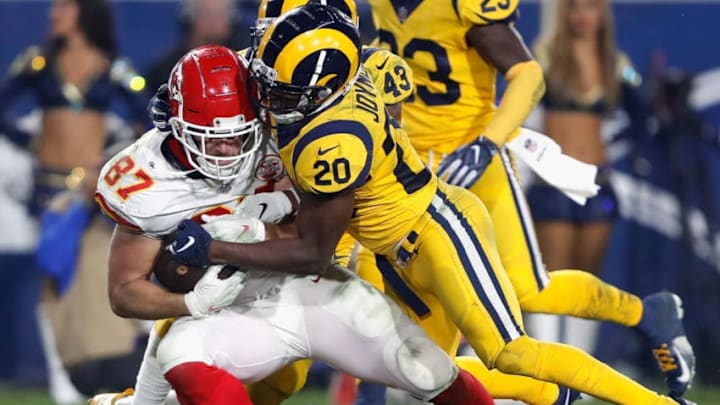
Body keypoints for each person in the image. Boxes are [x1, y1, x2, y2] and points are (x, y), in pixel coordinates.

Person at [167, 5, 695, 405]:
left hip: (443, 209)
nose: (265, 86)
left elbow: (313, 245)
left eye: (278, 83)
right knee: (425, 371)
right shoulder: (354, 73)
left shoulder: (329, 142)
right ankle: (556, 396)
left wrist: (218, 244)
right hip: (396, 219)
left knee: (509, 341)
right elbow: (386, 87)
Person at [93, 45, 492, 405]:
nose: (227, 152)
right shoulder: (145, 180)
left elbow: (314, 239)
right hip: (226, 312)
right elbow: (124, 290)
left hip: (310, 288)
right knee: (179, 355)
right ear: (175, 123)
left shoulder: (289, 120)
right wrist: (189, 304)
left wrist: (267, 217)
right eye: (211, 140)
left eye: (239, 137)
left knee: (429, 372)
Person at [367, 0, 695, 399]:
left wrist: (488, 143)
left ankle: (637, 321)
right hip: (409, 165)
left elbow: (528, 74)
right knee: (415, 352)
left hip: (470, 160)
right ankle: (556, 390)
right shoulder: (379, 6)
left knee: (523, 295)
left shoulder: (462, 7)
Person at [0, 0, 148, 401]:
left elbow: (148, 116)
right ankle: (65, 380)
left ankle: (112, 365)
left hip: (94, 192)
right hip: (49, 192)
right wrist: (31, 143)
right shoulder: (38, 63)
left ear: (84, 13)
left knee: (94, 276)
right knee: (53, 280)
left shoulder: (111, 66)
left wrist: (113, 156)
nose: (53, 15)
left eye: (62, 7)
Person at [144, 0, 249, 93]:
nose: (213, 21)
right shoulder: (169, 68)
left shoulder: (245, 60)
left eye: (220, 14)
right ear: (190, 16)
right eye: (207, 14)